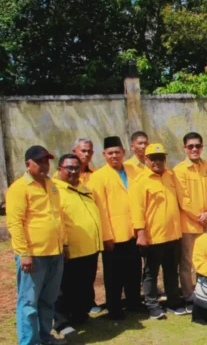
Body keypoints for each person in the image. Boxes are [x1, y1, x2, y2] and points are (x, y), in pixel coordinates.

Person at [6, 145, 67, 345]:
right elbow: (15, 223)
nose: (44, 165)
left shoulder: (52, 185)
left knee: (48, 300)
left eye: (46, 161)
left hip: (55, 252)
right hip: (34, 255)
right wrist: (24, 253)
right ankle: (30, 342)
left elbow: (58, 216)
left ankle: (45, 337)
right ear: (27, 164)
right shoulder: (19, 188)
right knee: (29, 303)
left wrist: (63, 244)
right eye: (39, 161)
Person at [87, 136, 142, 320]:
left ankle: (134, 302)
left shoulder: (134, 170)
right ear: (104, 155)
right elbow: (99, 209)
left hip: (133, 230)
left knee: (134, 270)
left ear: (123, 153)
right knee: (113, 275)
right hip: (113, 234)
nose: (114, 156)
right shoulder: (98, 177)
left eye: (117, 152)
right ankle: (115, 307)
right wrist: (106, 235)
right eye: (110, 153)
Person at [130, 143, 187, 319]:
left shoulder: (170, 176)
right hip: (153, 237)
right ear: (145, 159)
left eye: (161, 158)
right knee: (150, 273)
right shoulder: (140, 181)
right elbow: (137, 209)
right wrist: (141, 234)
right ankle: (152, 305)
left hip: (174, 235)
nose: (157, 162)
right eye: (153, 158)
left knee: (172, 271)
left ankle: (173, 303)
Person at [53, 154, 103, 339]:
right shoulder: (55, 190)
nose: (74, 171)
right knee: (65, 287)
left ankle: (80, 315)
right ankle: (62, 322)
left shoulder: (84, 189)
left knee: (84, 284)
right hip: (70, 248)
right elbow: (57, 219)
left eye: (76, 168)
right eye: (69, 168)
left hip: (89, 247)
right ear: (60, 169)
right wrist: (64, 243)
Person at [174, 132, 207, 310]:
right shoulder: (179, 170)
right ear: (184, 148)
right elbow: (183, 198)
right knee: (187, 262)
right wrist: (198, 216)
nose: (194, 149)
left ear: (202, 147)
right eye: (190, 146)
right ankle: (188, 296)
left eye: (198, 146)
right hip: (190, 224)